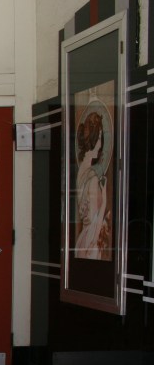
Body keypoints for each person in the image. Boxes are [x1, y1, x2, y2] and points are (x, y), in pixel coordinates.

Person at [73, 108, 112, 261]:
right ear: (95, 140)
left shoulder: (82, 171)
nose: (101, 143)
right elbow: (96, 221)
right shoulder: (94, 178)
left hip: (81, 240)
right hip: (90, 240)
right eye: (100, 137)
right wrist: (105, 201)